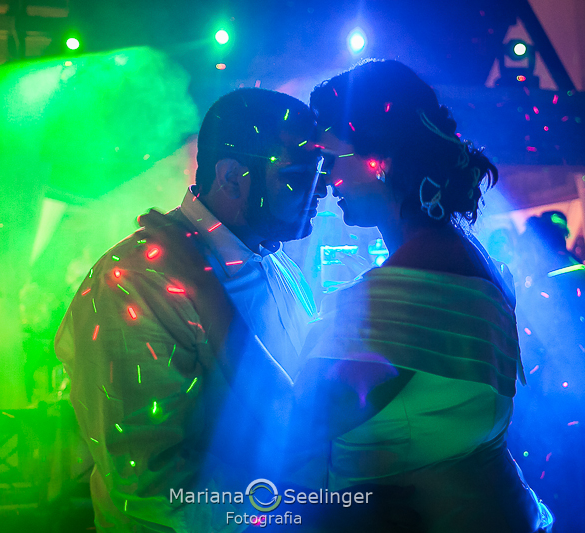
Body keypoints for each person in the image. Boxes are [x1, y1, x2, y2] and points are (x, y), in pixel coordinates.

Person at [144, 59, 554, 532]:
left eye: (334, 162)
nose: (325, 182)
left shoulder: (407, 288)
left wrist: (200, 282)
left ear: (385, 162)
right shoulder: (461, 252)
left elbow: (288, 426)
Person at [54, 88, 328, 533]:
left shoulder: (277, 262)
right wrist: (302, 513)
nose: (322, 192)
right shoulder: (139, 280)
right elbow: (151, 483)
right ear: (233, 178)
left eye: (324, 174)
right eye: (298, 177)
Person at [509, 211, 585, 532]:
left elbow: (528, 357)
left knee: (561, 486)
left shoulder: (537, 292)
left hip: (554, 408)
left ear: (536, 248)